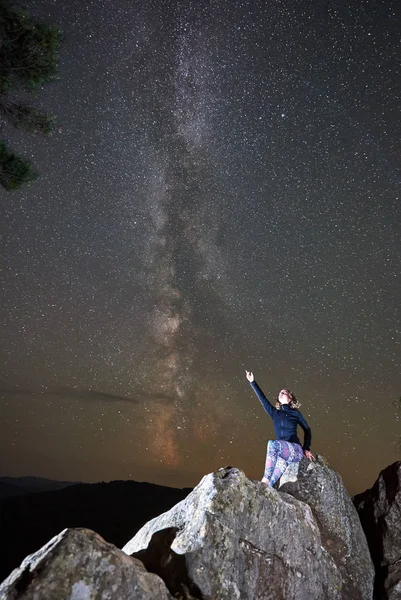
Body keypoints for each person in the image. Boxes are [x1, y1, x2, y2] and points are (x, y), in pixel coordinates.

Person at [245, 370, 314, 486]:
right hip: (283, 456)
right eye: (280, 392)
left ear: (290, 398)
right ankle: (266, 485)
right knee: (270, 485)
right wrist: (252, 382)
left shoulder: (295, 413)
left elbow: (307, 429)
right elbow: (263, 400)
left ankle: (264, 480)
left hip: (295, 451)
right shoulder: (275, 413)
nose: (281, 393)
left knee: (273, 444)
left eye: (284, 392)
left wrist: (306, 448)